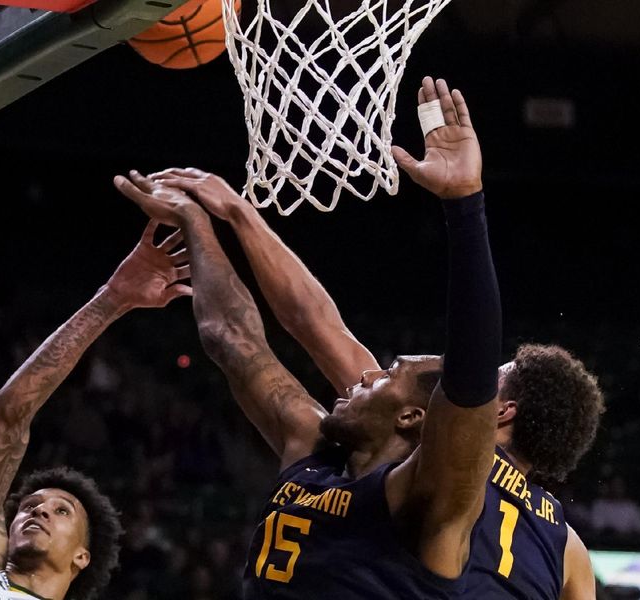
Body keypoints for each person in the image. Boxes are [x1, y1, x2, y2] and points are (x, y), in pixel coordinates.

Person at [152, 77, 605, 598]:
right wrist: (233, 213)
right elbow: (302, 325)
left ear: (499, 410)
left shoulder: (439, 460)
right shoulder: (566, 546)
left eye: (491, 377)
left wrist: (465, 206)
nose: (372, 376)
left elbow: (317, 326)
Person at [0, 221, 192, 600]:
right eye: (30, 506)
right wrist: (111, 299)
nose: (39, 511)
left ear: (82, 556)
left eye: (62, 511)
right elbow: (8, 415)